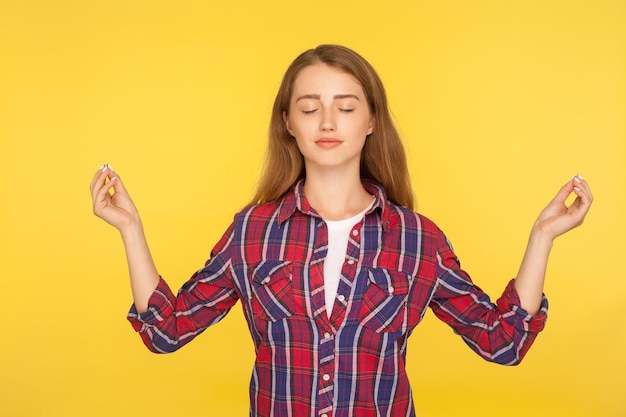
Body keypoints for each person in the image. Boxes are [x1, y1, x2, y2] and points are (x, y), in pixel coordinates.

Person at [89, 44, 593, 417]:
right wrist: (129, 228)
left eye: (347, 107)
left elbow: (501, 342)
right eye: (309, 107)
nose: (327, 121)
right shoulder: (253, 233)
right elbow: (166, 331)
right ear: (288, 121)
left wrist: (542, 236)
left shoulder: (417, 240)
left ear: (372, 120)